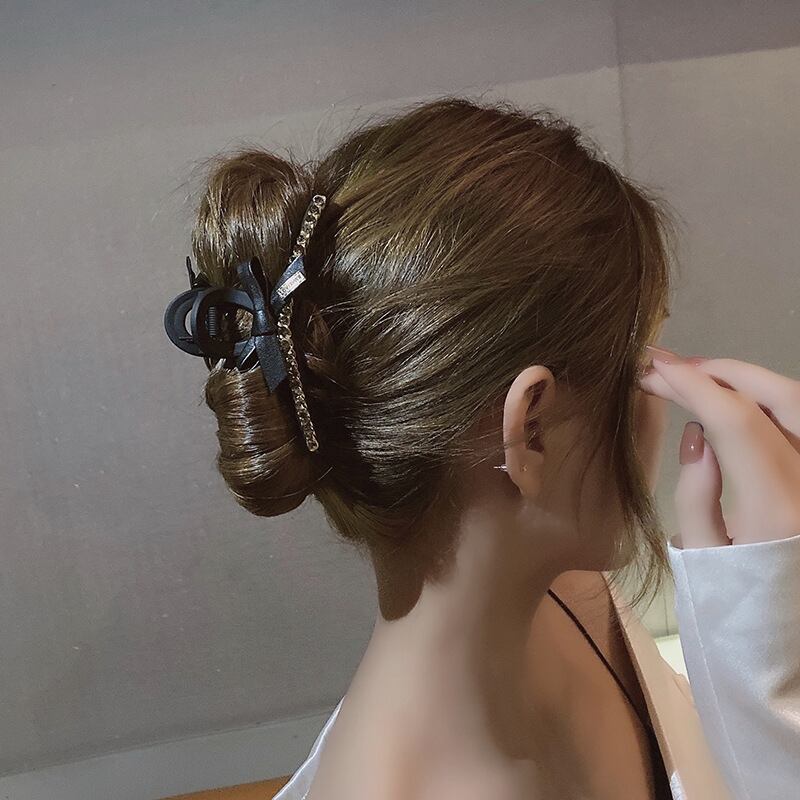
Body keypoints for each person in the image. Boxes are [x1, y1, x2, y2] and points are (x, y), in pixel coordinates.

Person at [164, 96, 800, 799]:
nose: (666, 390)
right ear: (531, 429)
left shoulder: (567, 592)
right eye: (640, 360)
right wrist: (767, 660)